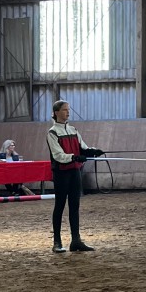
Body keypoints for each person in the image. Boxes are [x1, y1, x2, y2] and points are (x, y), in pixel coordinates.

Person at [46, 100, 104, 253]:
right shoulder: (52, 133)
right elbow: (58, 155)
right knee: (59, 205)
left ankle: (76, 240)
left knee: (74, 205)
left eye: (68, 110)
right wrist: (74, 157)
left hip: (74, 172)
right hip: (61, 173)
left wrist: (92, 151)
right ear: (56, 112)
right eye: (65, 110)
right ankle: (57, 242)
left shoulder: (73, 130)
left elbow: (82, 147)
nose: (68, 112)